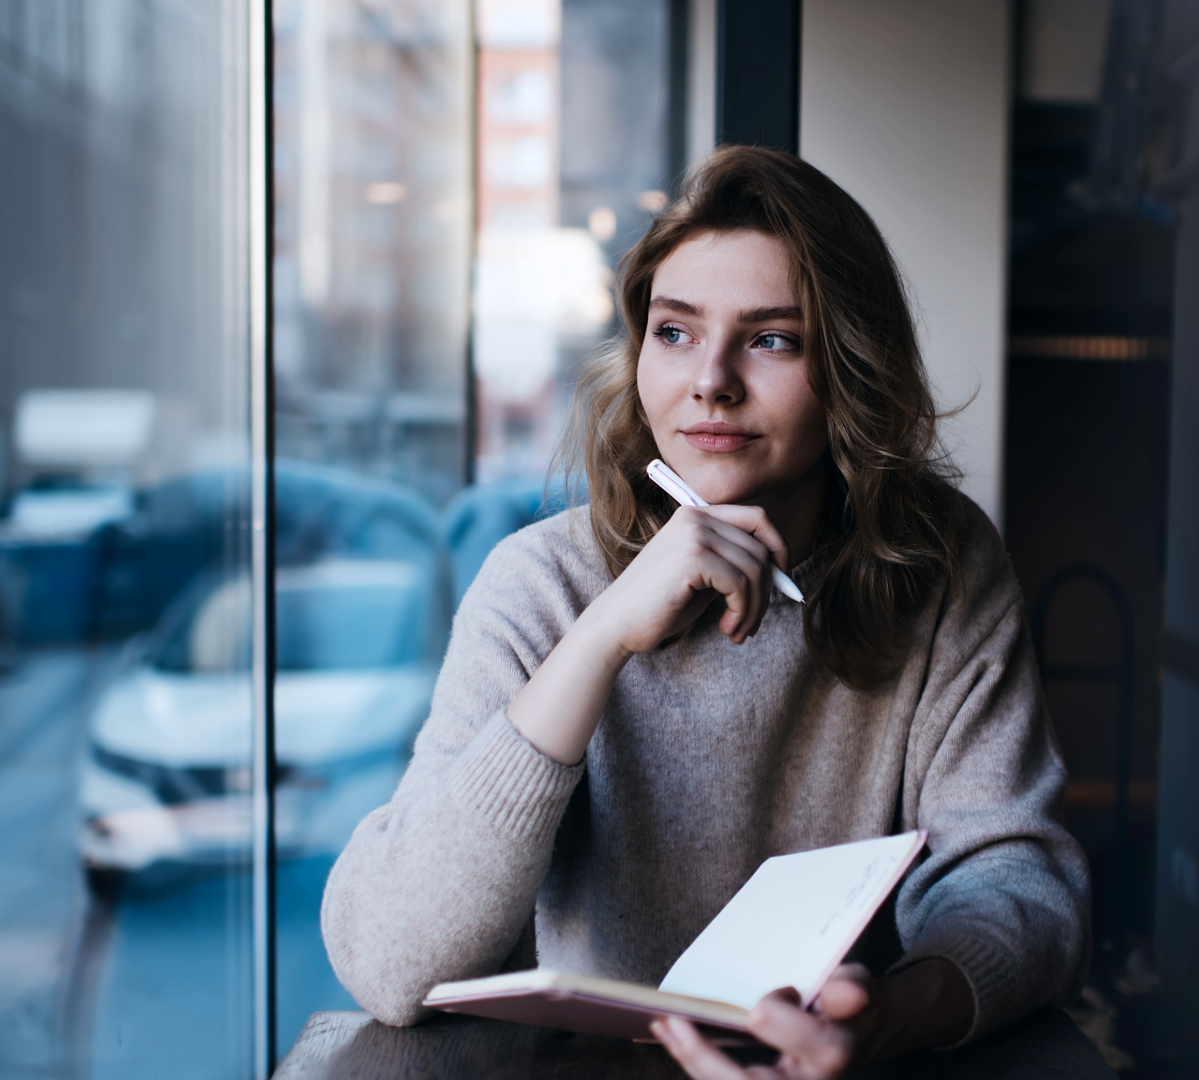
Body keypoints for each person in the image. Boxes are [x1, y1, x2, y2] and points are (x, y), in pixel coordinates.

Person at [321, 146, 1089, 1079]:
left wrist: (888, 1015)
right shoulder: (536, 581)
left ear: (850, 367)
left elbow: (1020, 881)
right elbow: (387, 961)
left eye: (772, 339)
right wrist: (600, 637)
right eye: (676, 332)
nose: (710, 381)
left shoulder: (941, 566)